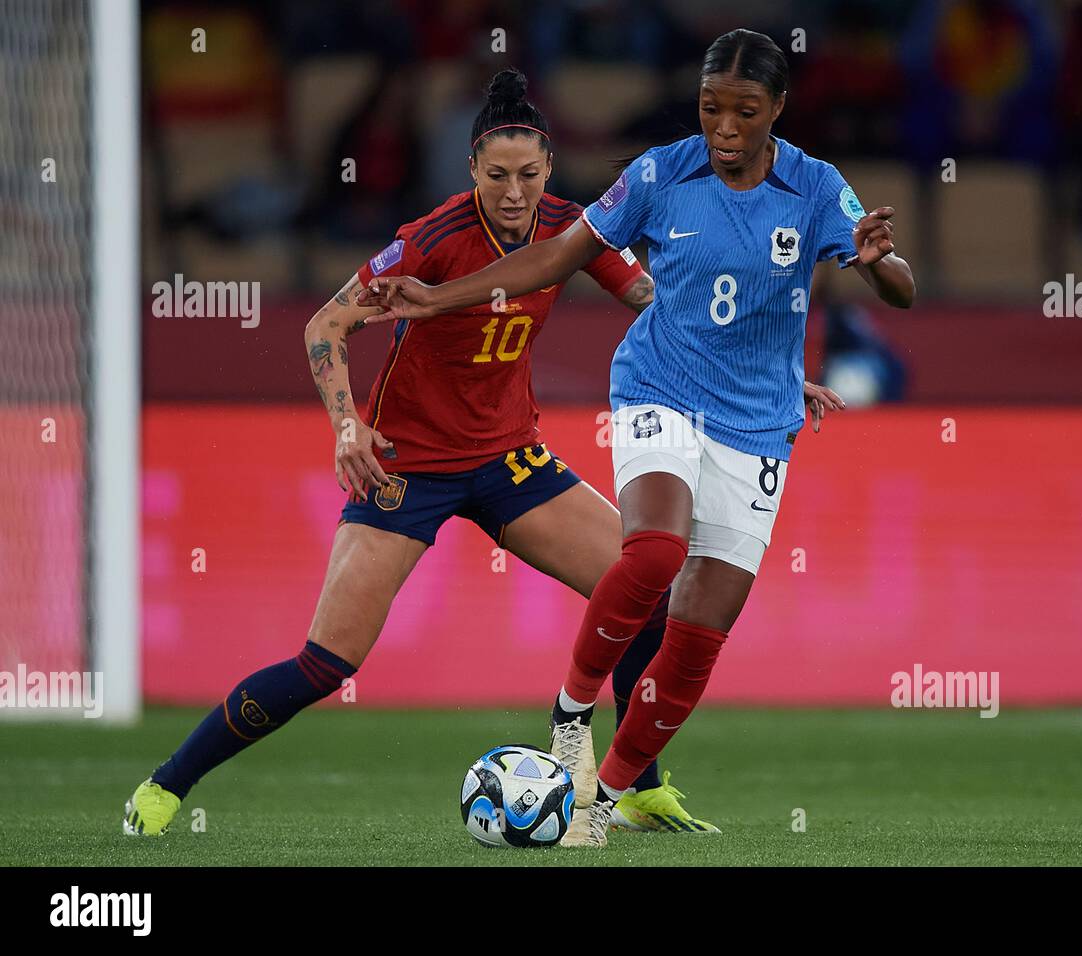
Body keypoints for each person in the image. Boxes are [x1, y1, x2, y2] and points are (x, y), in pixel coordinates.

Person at [122, 67, 738, 838]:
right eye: (497, 176)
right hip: (406, 470)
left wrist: (754, 356)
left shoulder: (574, 228)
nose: (513, 193)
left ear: (548, 170)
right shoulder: (433, 239)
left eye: (528, 175)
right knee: (326, 663)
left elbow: (653, 301)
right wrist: (349, 427)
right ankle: (166, 786)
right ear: (472, 171)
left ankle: (638, 789)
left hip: (510, 461)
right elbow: (324, 325)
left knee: (649, 588)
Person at [361, 30, 913, 848]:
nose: (724, 127)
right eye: (710, 107)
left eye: (745, 112)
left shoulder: (815, 186)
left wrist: (876, 264)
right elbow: (556, 256)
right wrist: (442, 301)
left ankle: (607, 796)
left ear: (778, 112)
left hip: (758, 423)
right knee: (653, 554)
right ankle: (571, 717)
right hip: (660, 387)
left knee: (696, 642)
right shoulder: (660, 172)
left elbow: (898, 289)